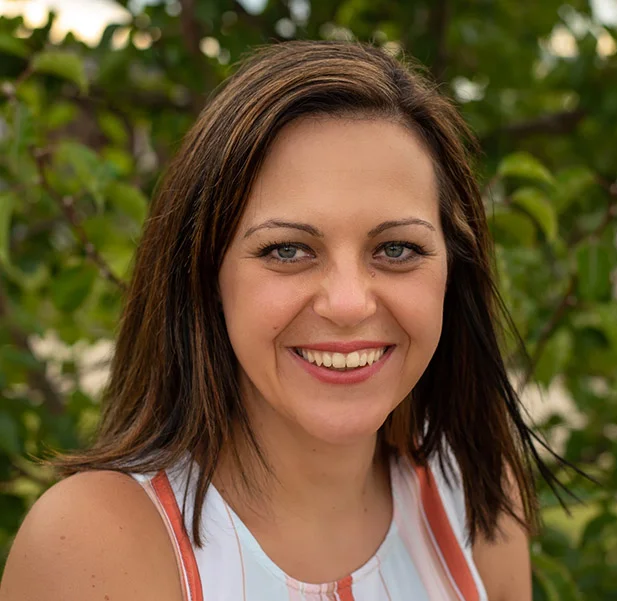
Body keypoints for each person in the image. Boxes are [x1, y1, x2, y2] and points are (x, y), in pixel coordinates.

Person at [0, 40, 557, 601]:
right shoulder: (97, 545)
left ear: (451, 274)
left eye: (396, 249)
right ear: (206, 276)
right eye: (288, 251)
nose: (347, 304)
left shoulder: (475, 502)